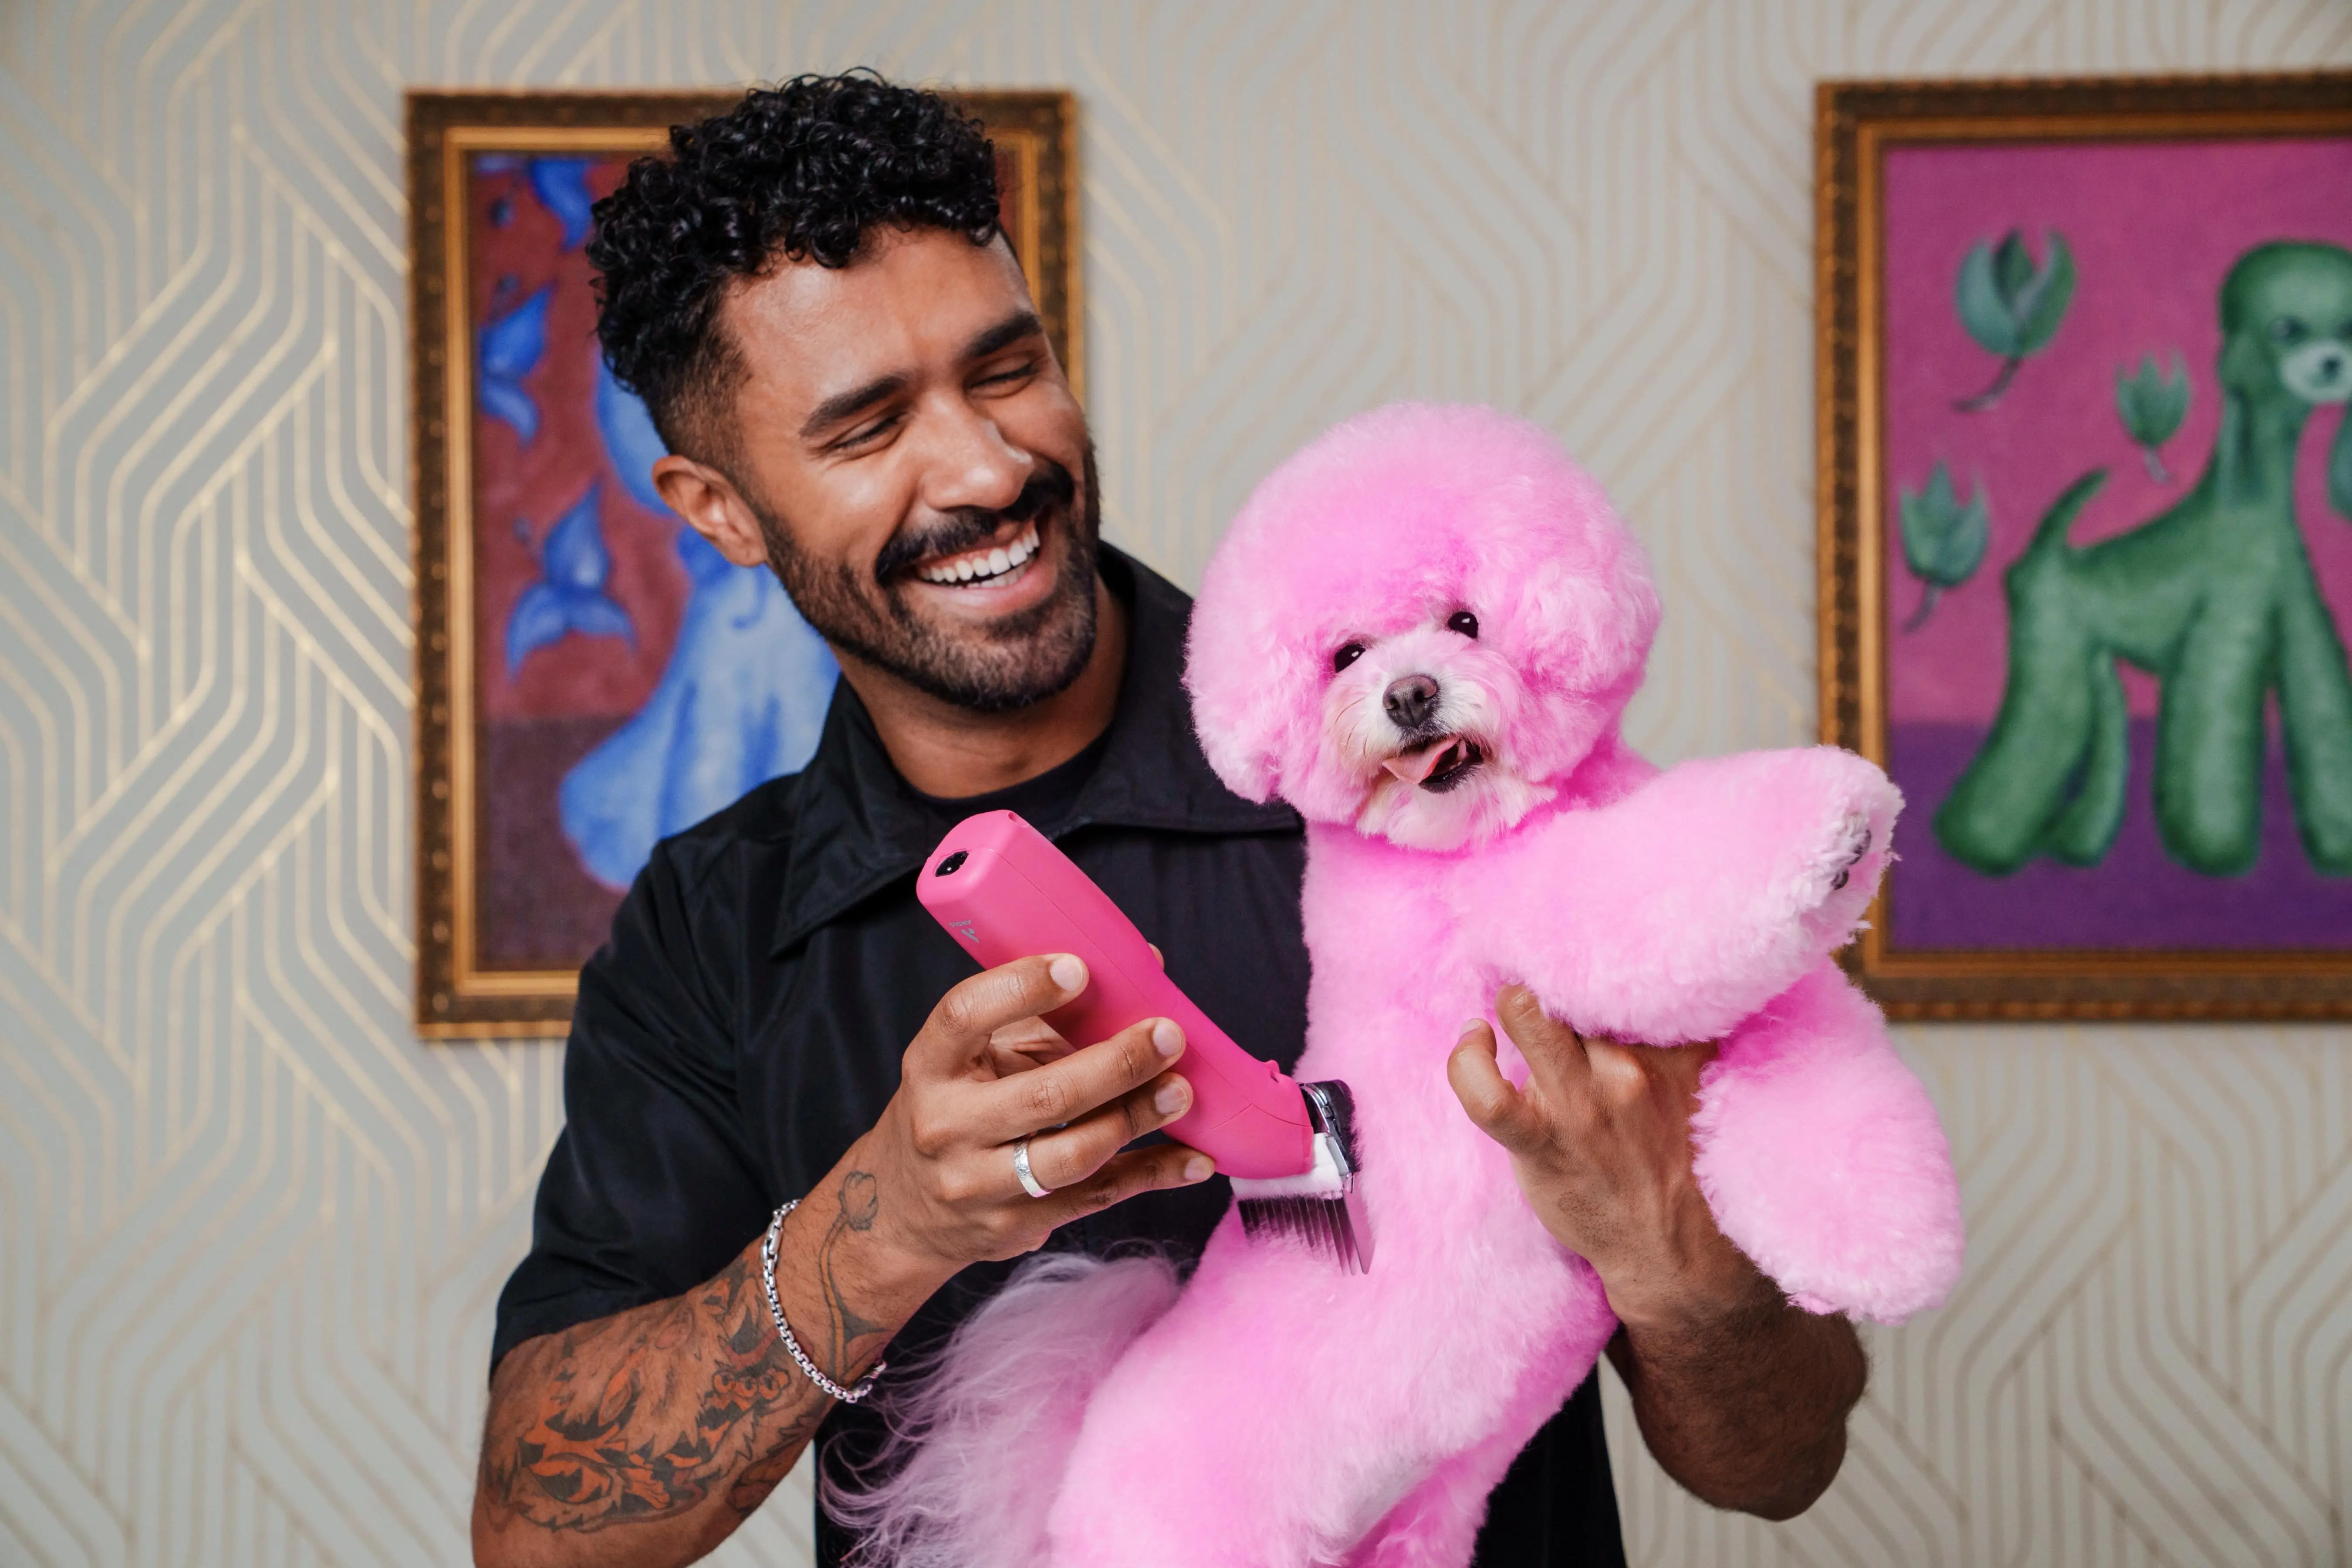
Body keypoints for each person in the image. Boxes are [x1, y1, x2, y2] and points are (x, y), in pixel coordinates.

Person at [471, 71, 1867, 1568]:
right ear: (722, 509)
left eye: (1008, 368)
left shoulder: (1448, 781)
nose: (989, 467)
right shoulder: (707, 931)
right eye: (869, 428)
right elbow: (538, 1537)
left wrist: (1665, 1256)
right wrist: (886, 1225)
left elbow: (1780, 1461)